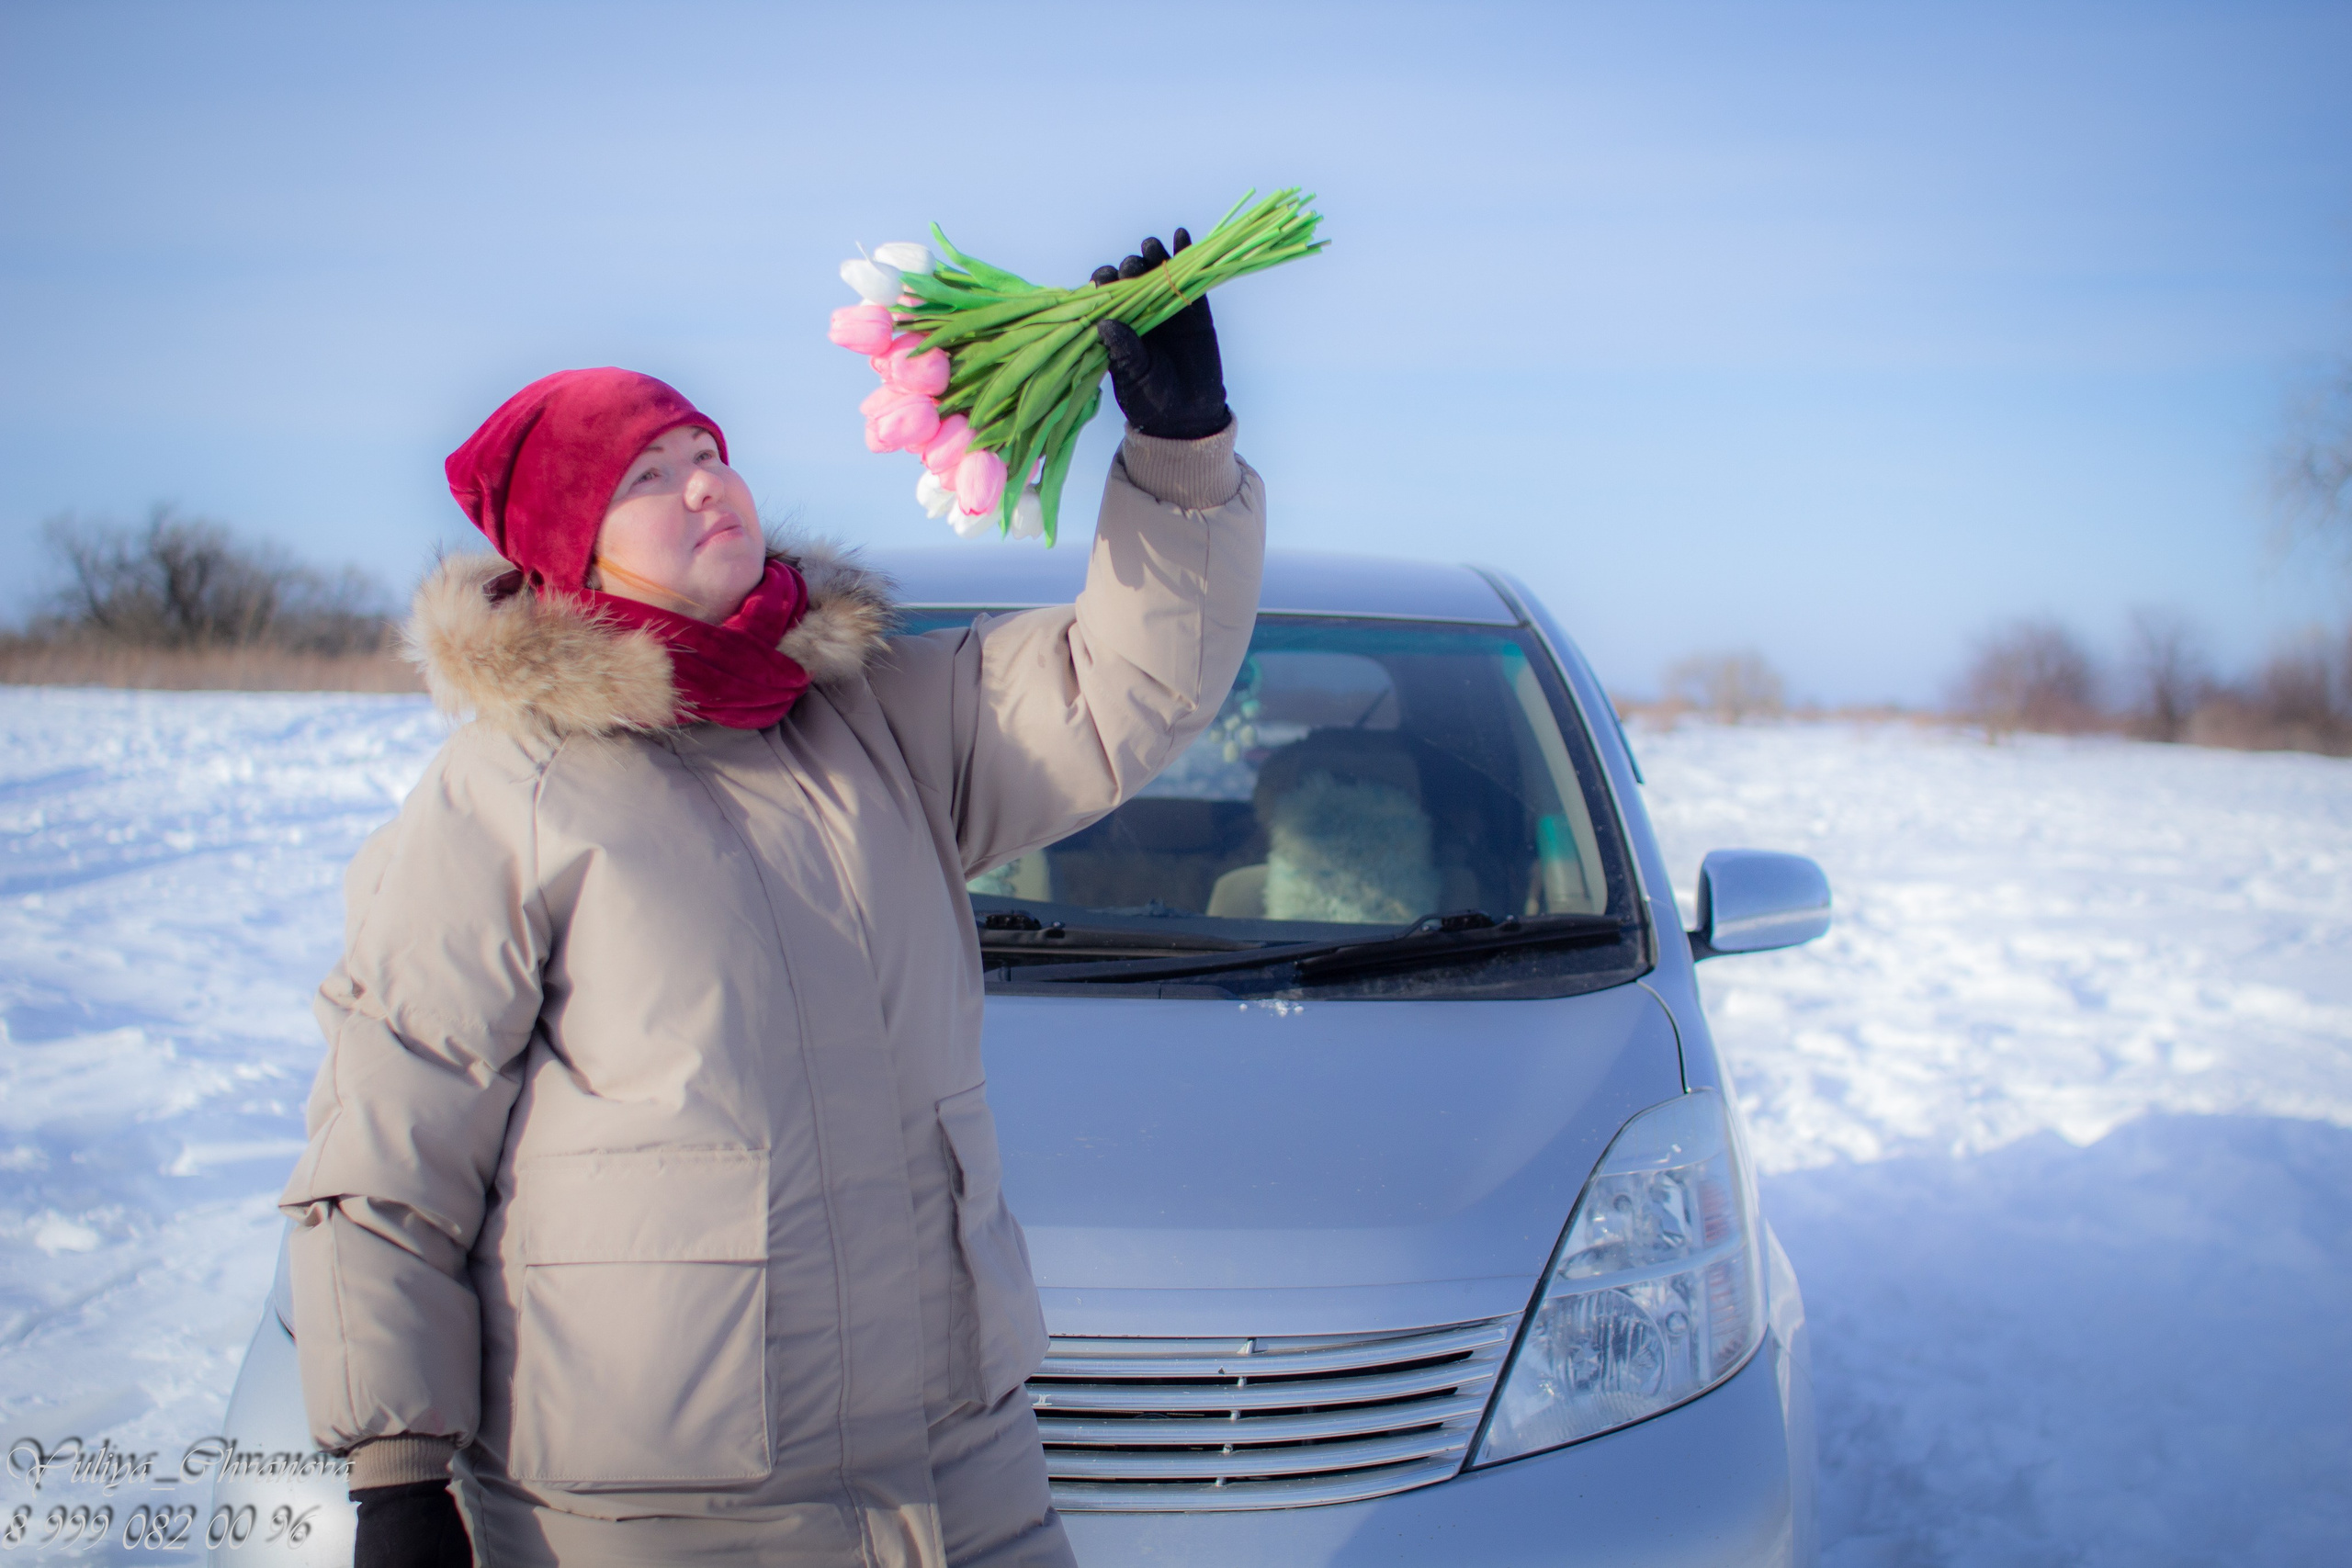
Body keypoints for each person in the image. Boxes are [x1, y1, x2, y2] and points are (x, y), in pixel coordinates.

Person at [278, 234, 1265, 1568]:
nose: (703, 486)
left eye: (705, 454)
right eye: (646, 477)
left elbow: (1122, 686)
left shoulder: (880, 719)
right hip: (659, 1515)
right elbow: (393, 1136)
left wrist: (1179, 456)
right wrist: (398, 1475)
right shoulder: (508, 792)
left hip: (958, 1477)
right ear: (573, 550)